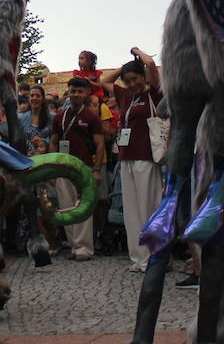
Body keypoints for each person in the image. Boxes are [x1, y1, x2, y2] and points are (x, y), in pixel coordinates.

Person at [99, 49, 163, 273]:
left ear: (143, 77)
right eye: (127, 80)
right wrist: (125, 67)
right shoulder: (125, 95)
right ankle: (138, 257)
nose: (131, 83)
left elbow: (152, 65)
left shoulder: (154, 93)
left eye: (134, 78)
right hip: (126, 158)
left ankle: (155, 257)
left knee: (149, 207)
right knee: (132, 211)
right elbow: (103, 80)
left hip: (146, 156)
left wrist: (136, 53)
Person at [50, 77, 105, 260]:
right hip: (63, 168)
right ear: (69, 92)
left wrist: (97, 169)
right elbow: (53, 142)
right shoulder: (59, 116)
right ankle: (74, 246)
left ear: (86, 93)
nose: (76, 94)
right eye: (73, 91)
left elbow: (99, 144)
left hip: (84, 167)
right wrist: (52, 166)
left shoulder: (91, 117)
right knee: (67, 207)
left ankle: (84, 248)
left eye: (80, 91)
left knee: (82, 207)